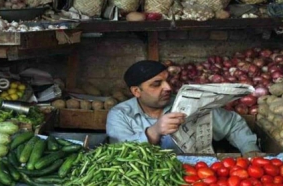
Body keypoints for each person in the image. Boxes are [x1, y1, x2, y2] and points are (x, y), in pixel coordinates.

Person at [106, 60, 260, 154]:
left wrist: (250, 149)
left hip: (192, 175)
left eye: (167, 80)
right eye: (156, 84)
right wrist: (154, 132)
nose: (167, 87)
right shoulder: (120, 114)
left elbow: (233, 124)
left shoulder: (189, 105)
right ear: (136, 91)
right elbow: (119, 152)